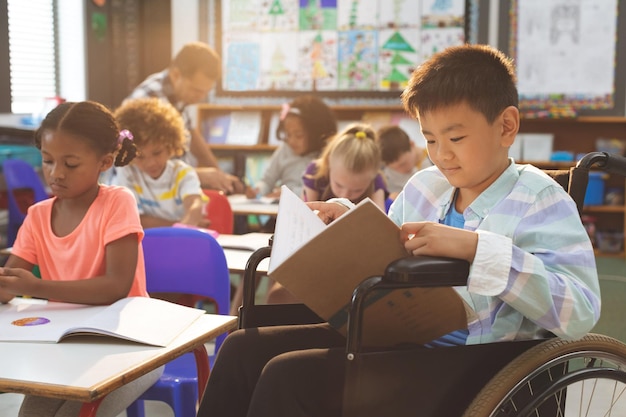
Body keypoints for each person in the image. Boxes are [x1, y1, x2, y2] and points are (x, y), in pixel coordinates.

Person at [196, 44, 600, 417]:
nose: (442, 153)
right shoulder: (426, 186)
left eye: (456, 137)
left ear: (506, 127)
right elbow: (387, 248)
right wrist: (344, 221)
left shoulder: (541, 200)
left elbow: (580, 310)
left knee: (288, 375)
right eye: (429, 138)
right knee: (243, 347)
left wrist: (478, 249)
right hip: (396, 338)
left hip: (477, 364)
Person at [0, 101, 163, 417]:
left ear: (105, 162)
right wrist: (7, 286)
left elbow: (115, 286)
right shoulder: (37, 216)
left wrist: (36, 286)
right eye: (47, 161)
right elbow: (10, 283)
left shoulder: (117, 203)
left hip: (132, 347)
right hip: (65, 348)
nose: (56, 173)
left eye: (70, 164)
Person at [126, 41, 243, 194]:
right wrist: (200, 175)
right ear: (176, 75)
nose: (201, 97)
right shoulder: (148, 102)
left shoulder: (177, 94)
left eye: (205, 92)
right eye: (196, 90)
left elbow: (191, 135)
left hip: (173, 190)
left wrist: (219, 175)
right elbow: (149, 165)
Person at [113, 97, 209, 229]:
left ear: (170, 145)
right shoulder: (128, 172)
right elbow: (133, 219)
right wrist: (177, 226)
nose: (151, 163)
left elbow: (194, 205)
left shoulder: (182, 173)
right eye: (140, 157)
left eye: (157, 152)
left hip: (178, 243)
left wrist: (185, 226)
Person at [245, 95, 337, 200]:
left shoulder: (325, 156)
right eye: (288, 135)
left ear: (316, 134)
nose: (291, 141)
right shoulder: (285, 150)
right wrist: (258, 190)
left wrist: (288, 194)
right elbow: (267, 180)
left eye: (299, 135)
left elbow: (322, 191)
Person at [302, 123, 388, 211]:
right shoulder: (315, 172)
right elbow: (305, 213)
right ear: (329, 163)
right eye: (338, 185)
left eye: (357, 190)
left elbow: (379, 220)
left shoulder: (376, 181)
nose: (345, 195)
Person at [376, 124, 424, 200]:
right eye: (395, 169)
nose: (401, 171)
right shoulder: (384, 174)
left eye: (403, 164)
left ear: (412, 145)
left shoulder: (431, 162)